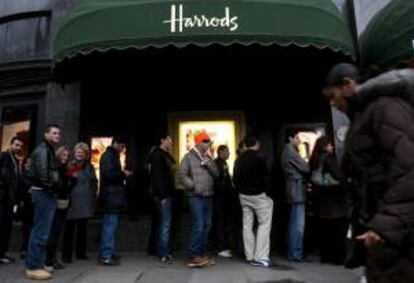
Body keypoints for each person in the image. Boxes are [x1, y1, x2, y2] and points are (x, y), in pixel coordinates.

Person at [323, 63, 414, 282]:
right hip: (388, 227)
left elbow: (408, 169)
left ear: (348, 84)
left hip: (397, 231)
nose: (332, 103)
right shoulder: (366, 113)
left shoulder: (384, 107)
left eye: (333, 96)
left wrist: (384, 225)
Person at [25, 124, 62, 280]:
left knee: (42, 230)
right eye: (54, 133)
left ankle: (37, 263)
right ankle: (33, 267)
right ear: (46, 134)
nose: (57, 135)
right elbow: (43, 175)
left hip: (45, 193)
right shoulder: (43, 150)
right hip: (44, 193)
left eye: (59, 133)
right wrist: (52, 188)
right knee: (41, 230)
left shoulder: (47, 149)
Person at [178, 132, 219, 268]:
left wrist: (209, 165)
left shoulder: (208, 156)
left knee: (207, 225)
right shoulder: (188, 157)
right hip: (195, 197)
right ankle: (194, 255)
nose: (208, 144)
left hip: (208, 196)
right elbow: (181, 175)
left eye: (209, 142)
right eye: (206, 142)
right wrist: (193, 186)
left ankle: (201, 254)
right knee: (199, 225)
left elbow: (216, 174)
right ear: (199, 142)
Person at [233, 135, 274, 268]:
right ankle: (261, 257)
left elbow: (235, 178)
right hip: (258, 195)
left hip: (243, 195)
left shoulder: (239, 159)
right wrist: (267, 193)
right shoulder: (259, 158)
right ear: (257, 144)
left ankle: (249, 255)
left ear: (245, 144)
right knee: (264, 224)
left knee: (247, 225)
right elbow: (266, 178)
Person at [309, 136, 349, 265]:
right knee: (338, 230)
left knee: (325, 231)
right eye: (330, 145)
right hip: (334, 201)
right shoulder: (328, 158)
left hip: (321, 201)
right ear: (325, 146)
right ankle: (338, 258)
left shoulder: (314, 159)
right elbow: (338, 176)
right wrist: (346, 182)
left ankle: (326, 257)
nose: (332, 147)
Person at [98, 137, 131, 266]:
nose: (123, 148)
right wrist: (123, 174)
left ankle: (108, 252)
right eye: (121, 145)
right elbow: (109, 174)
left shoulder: (112, 155)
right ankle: (106, 255)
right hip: (111, 196)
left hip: (111, 196)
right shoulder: (109, 156)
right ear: (115, 143)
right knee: (109, 225)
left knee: (110, 225)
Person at [62, 143, 97, 264]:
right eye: (78, 151)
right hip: (73, 200)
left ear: (86, 154)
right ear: (74, 152)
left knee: (83, 228)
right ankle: (66, 255)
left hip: (86, 200)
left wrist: (93, 196)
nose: (80, 153)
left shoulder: (90, 167)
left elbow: (94, 182)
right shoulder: (71, 165)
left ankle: (80, 253)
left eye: (82, 151)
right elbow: (68, 180)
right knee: (69, 229)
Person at [281, 130, 310, 262]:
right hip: (296, 190)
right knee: (298, 224)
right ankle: (295, 253)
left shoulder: (288, 151)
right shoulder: (291, 152)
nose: (299, 141)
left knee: (294, 223)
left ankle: (293, 252)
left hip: (293, 190)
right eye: (297, 138)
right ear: (290, 138)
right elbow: (306, 167)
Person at [148, 134, 176, 264]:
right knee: (165, 224)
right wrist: (163, 195)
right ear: (162, 140)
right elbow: (158, 177)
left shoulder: (164, 155)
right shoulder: (158, 155)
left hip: (165, 194)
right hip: (163, 195)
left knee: (163, 224)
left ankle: (163, 251)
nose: (171, 142)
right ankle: (164, 253)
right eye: (169, 140)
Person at [45, 146, 71, 269]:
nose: (65, 158)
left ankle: (52, 258)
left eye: (67, 156)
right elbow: (57, 186)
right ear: (58, 155)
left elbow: (69, 185)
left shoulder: (65, 169)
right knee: (53, 232)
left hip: (63, 203)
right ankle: (49, 259)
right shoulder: (55, 169)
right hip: (55, 203)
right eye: (63, 155)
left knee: (56, 232)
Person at [0, 136, 24, 264]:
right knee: (2, 226)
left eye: (20, 146)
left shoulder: (15, 159)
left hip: (10, 199)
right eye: (16, 145)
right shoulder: (4, 156)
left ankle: (2, 253)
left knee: (6, 227)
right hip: (4, 199)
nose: (18, 147)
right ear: (11, 144)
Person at [211, 145, 234, 258]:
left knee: (222, 222)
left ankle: (221, 246)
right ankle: (221, 247)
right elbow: (220, 182)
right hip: (220, 198)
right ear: (221, 152)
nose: (229, 154)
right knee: (220, 222)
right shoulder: (218, 164)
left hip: (222, 198)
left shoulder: (223, 164)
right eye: (227, 152)